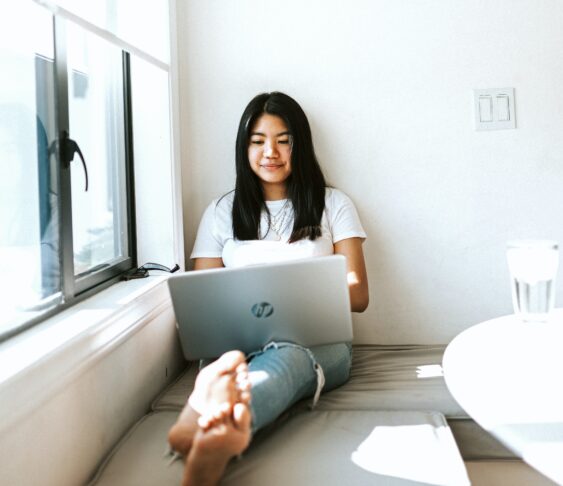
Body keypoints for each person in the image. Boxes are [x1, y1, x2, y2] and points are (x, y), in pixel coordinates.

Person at [168, 91, 369, 483]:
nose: (270, 152)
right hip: (237, 343)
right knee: (231, 357)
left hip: (318, 344)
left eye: (283, 140)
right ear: (245, 148)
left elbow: (359, 294)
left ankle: (214, 424)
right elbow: (202, 299)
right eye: (258, 141)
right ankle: (213, 418)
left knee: (289, 357)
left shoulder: (334, 204)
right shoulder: (221, 211)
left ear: (300, 145)